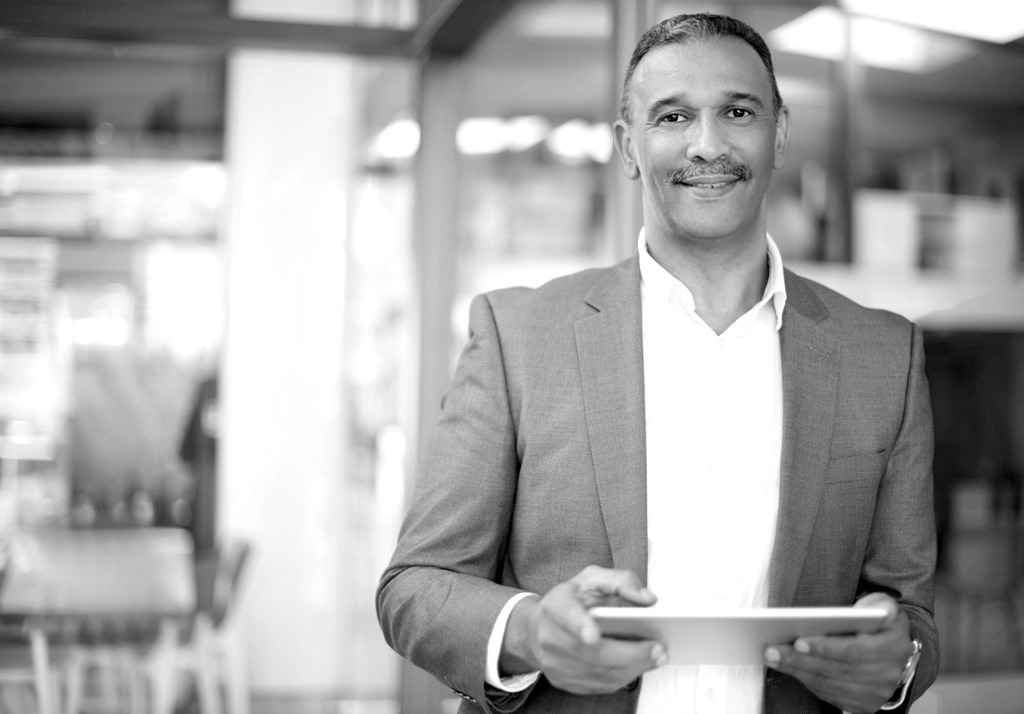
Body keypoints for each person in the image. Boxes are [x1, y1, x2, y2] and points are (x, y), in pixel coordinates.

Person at [377, 13, 936, 714]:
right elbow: (416, 584)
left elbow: (911, 618)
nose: (709, 144)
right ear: (629, 146)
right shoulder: (519, 337)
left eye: (738, 111)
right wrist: (530, 631)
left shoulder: (883, 355)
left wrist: (897, 668)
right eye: (673, 116)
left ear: (780, 133)